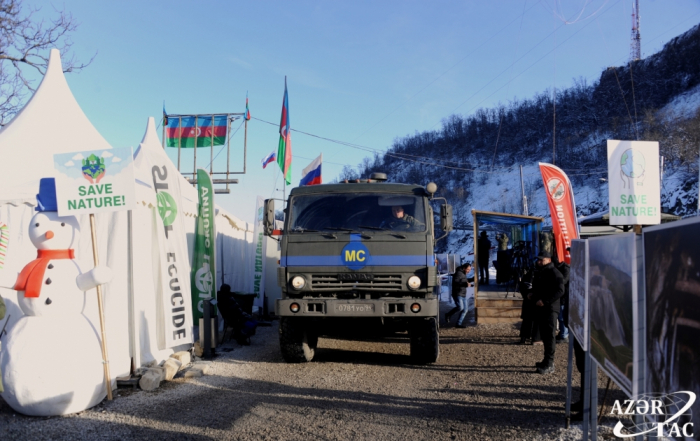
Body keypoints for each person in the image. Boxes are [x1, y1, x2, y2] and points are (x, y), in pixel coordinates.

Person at [529, 250, 564, 374]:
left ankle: (550, 363)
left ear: (548, 260)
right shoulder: (541, 271)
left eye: (541, 259)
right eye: (538, 259)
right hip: (541, 308)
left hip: (550, 309)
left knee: (549, 336)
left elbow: (560, 290)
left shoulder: (555, 273)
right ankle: (545, 360)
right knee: (544, 335)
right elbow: (539, 287)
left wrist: (545, 301)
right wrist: (532, 294)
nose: (539, 261)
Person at [445, 263, 472, 328]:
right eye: (468, 269)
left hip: (463, 294)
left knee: (465, 310)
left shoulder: (463, 274)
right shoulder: (458, 273)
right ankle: (448, 314)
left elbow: (464, 281)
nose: (469, 271)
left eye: (470, 269)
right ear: (464, 268)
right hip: (457, 293)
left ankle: (458, 324)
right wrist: (465, 284)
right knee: (460, 307)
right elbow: (456, 282)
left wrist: (472, 279)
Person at [553, 248, 570, 344]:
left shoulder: (566, 269)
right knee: (561, 316)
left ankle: (564, 335)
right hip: (561, 296)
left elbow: (563, 281)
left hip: (564, 295)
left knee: (562, 317)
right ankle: (563, 334)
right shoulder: (562, 268)